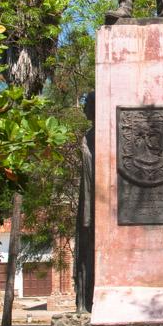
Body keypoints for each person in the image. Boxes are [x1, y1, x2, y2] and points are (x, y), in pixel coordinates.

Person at [74, 92, 95, 313]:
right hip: (87, 200)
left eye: (87, 104)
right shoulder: (88, 135)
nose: (84, 109)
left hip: (93, 202)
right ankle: (83, 301)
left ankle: (88, 300)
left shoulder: (96, 137)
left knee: (88, 251)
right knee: (85, 251)